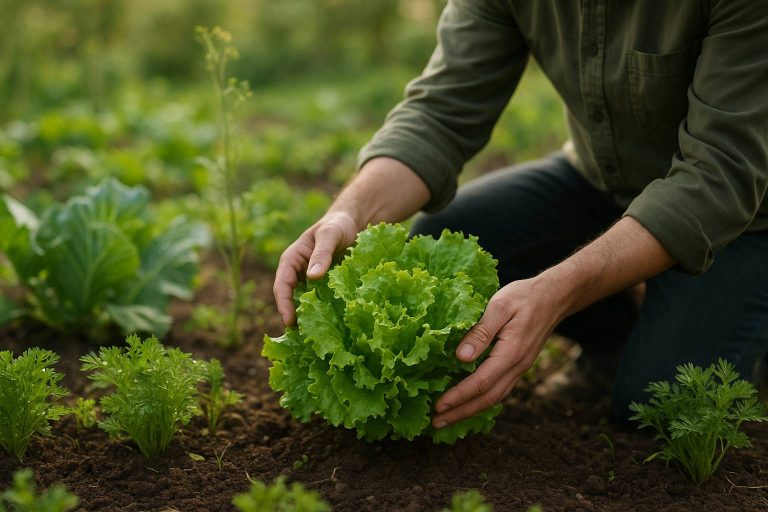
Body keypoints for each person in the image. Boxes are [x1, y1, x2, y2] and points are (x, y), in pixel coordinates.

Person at [273, 0, 768, 429]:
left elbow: (718, 175)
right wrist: (347, 213)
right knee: (447, 251)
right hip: (604, 179)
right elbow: (440, 113)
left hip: (742, 212)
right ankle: (618, 336)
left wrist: (557, 290)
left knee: (662, 404)